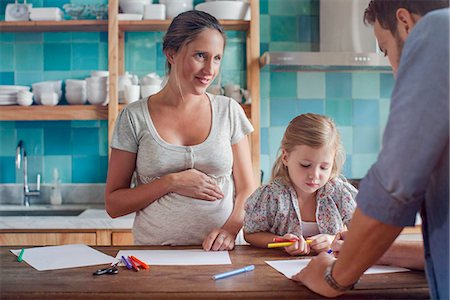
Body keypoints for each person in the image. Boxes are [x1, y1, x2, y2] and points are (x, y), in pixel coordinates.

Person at [292, 1, 449, 299]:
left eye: (385, 48)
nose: (391, 66)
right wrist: (372, 251)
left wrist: (333, 277)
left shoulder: (437, 30)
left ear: (405, 22)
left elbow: (394, 191)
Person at [105, 10, 256, 251]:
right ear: (171, 53)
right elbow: (114, 204)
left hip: (220, 254)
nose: (210, 69)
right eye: (200, 55)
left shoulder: (229, 111)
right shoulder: (133, 117)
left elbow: (247, 188)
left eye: (217, 58)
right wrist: (170, 182)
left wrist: (230, 230)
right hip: (154, 257)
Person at [243, 113, 357, 255]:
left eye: (324, 167)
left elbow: (365, 233)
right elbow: (250, 234)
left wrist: (334, 240)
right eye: (305, 165)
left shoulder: (340, 194)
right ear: (285, 157)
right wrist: (280, 242)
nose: (314, 175)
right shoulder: (272, 196)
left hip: (331, 271)